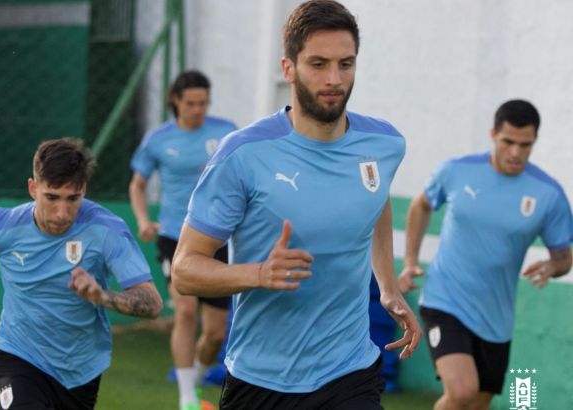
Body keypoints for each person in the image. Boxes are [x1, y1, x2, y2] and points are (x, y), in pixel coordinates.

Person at [171, 1, 421, 409]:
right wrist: (259, 273)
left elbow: (375, 201)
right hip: (261, 378)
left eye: (346, 63)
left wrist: (388, 288)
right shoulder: (243, 154)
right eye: (318, 64)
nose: (334, 79)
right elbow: (184, 269)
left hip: (349, 370)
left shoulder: (384, 145)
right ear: (288, 68)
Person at [0, 138, 164, 409]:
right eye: (52, 197)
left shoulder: (107, 230)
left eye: (73, 199)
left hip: (80, 369)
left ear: (84, 189)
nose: (61, 213)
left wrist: (102, 296)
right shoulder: (4, 225)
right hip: (18, 355)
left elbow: (152, 303)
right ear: (33, 188)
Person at [399, 99, 572, 410]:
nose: (516, 153)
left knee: (476, 404)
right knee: (463, 391)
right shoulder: (456, 171)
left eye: (525, 145)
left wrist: (553, 266)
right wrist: (410, 261)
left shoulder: (548, 194)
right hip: (445, 300)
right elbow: (420, 205)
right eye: (508, 142)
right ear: (493, 134)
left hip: (496, 319)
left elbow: (563, 256)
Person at [129, 70, 236, 410]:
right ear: (175, 101)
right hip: (174, 236)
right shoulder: (158, 139)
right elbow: (137, 185)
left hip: (219, 239)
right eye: (191, 103)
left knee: (216, 333)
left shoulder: (226, 132)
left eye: (203, 103)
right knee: (186, 310)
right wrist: (145, 220)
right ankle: (187, 398)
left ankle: (197, 377)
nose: (197, 109)